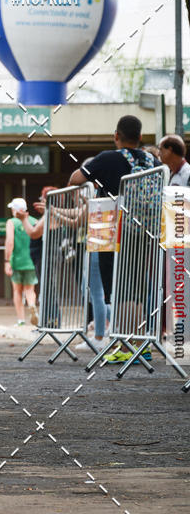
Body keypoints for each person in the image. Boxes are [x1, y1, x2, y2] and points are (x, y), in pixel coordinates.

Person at [69, 115, 157, 363]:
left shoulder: (107, 158)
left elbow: (75, 179)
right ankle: (140, 344)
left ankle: (127, 347)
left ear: (116, 135)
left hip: (115, 232)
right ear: (140, 138)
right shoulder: (152, 159)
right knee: (136, 289)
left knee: (118, 290)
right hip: (145, 231)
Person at [4, 198, 38, 326]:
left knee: (17, 291)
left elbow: (10, 242)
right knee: (30, 289)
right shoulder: (35, 221)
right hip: (32, 261)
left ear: (16, 210)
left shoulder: (12, 222)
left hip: (17, 261)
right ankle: (32, 305)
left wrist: (7, 260)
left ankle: (21, 320)